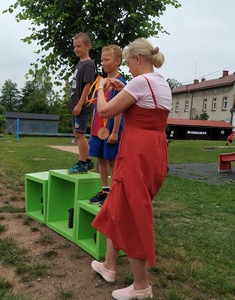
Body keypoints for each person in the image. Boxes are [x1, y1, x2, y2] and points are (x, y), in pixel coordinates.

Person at [91, 38, 172, 300]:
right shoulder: (161, 83)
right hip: (155, 150)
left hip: (136, 152)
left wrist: (102, 88)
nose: (129, 68)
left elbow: (105, 109)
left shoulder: (139, 82)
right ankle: (109, 265)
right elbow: (143, 105)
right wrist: (122, 86)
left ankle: (141, 286)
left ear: (137, 59)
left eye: (128, 62)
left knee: (134, 213)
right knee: (117, 205)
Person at [89, 45, 126, 206]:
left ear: (118, 61)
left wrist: (115, 131)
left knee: (112, 160)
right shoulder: (101, 82)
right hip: (98, 129)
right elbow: (97, 107)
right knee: (101, 159)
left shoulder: (120, 82)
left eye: (107, 59)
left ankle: (115, 193)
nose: (103, 63)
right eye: (102, 60)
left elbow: (120, 109)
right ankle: (105, 190)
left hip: (111, 129)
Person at [67, 32, 96, 174]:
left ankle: (82, 163)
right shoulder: (80, 63)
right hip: (76, 104)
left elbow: (87, 85)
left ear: (87, 46)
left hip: (82, 105)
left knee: (79, 134)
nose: (76, 49)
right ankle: (88, 161)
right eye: (74, 47)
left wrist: (79, 104)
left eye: (78, 46)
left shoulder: (89, 64)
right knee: (76, 132)